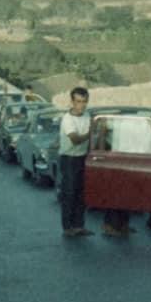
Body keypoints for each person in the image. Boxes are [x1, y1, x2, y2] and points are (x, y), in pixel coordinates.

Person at [59, 86, 93, 237]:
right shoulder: (67, 119)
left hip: (83, 158)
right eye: (78, 101)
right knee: (69, 193)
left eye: (84, 102)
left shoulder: (88, 116)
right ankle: (67, 227)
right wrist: (92, 133)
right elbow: (75, 140)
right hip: (69, 159)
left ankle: (79, 226)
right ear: (72, 102)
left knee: (81, 194)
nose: (82, 105)